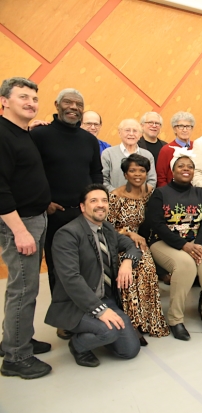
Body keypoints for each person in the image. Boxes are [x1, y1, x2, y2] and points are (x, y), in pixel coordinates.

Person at [31, 88, 103, 339]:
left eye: (78, 104)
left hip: (85, 216)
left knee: (90, 265)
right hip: (54, 215)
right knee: (60, 269)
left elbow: (96, 173)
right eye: (68, 102)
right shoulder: (40, 135)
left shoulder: (89, 140)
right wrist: (45, 201)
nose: (73, 107)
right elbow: (30, 172)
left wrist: (95, 203)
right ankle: (65, 319)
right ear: (57, 105)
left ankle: (90, 309)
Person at [45, 184, 141, 367]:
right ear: (82, 207)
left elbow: (130, 245)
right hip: (76, 305)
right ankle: (78, 345)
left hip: (106, 298)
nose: (100, 205)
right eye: (94, 201)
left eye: (104, 200)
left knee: (129, 350)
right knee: (109, 332)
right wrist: (100, 310)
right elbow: (71, 279)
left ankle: (99, 332)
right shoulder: (67, 235)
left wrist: (128, 262)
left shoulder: (106, 229)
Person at [0, 77, 52, 379]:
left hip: (35, 217)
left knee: (27, 286)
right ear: (5, 101)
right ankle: (16, 358)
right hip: (20, 223)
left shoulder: (20, 132)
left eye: (34, 98)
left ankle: (17, 339)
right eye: (23, 97)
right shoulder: (3, 135)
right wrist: (19, 231)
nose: (31, 102)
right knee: (23, 289)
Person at [147, 148, 202, 340]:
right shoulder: (160, 194)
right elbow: (157, 225)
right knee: (185, 266)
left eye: (190, 166)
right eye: (181, 166)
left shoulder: (201, 193)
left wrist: (199, 244)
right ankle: (176, 319)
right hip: (166, 241)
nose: (185, 169)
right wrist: (184, 246)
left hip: (198, 240)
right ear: (173, 170)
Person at [107, 154, 169, 342]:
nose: (137, 174)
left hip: (145, 242)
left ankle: (150, 320)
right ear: (125, 174)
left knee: (148, 268)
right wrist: (128, 233)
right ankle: (133, 325)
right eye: (132, 170)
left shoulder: (151, 193)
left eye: (141, 170)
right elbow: (107, 228)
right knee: (133, 271)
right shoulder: (116, 197)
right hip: (120, 242)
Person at [102, 119, 156, 192]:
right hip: (115, 199)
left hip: (142, 200)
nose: (131, 134)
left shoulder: (147, 155)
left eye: (135, 131)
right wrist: (118, 194)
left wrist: (141, 194)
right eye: (127, 130)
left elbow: (152, 180)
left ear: (140, 135)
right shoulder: (108, 153)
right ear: (119, 133)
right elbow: (103, 179)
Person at [155, 111, 195, 187]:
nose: (185, 130)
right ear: (174, 129)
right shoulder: (166, 149)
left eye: (188, 126)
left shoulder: (197, 146)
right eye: (181, 126)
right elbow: (161, 178)